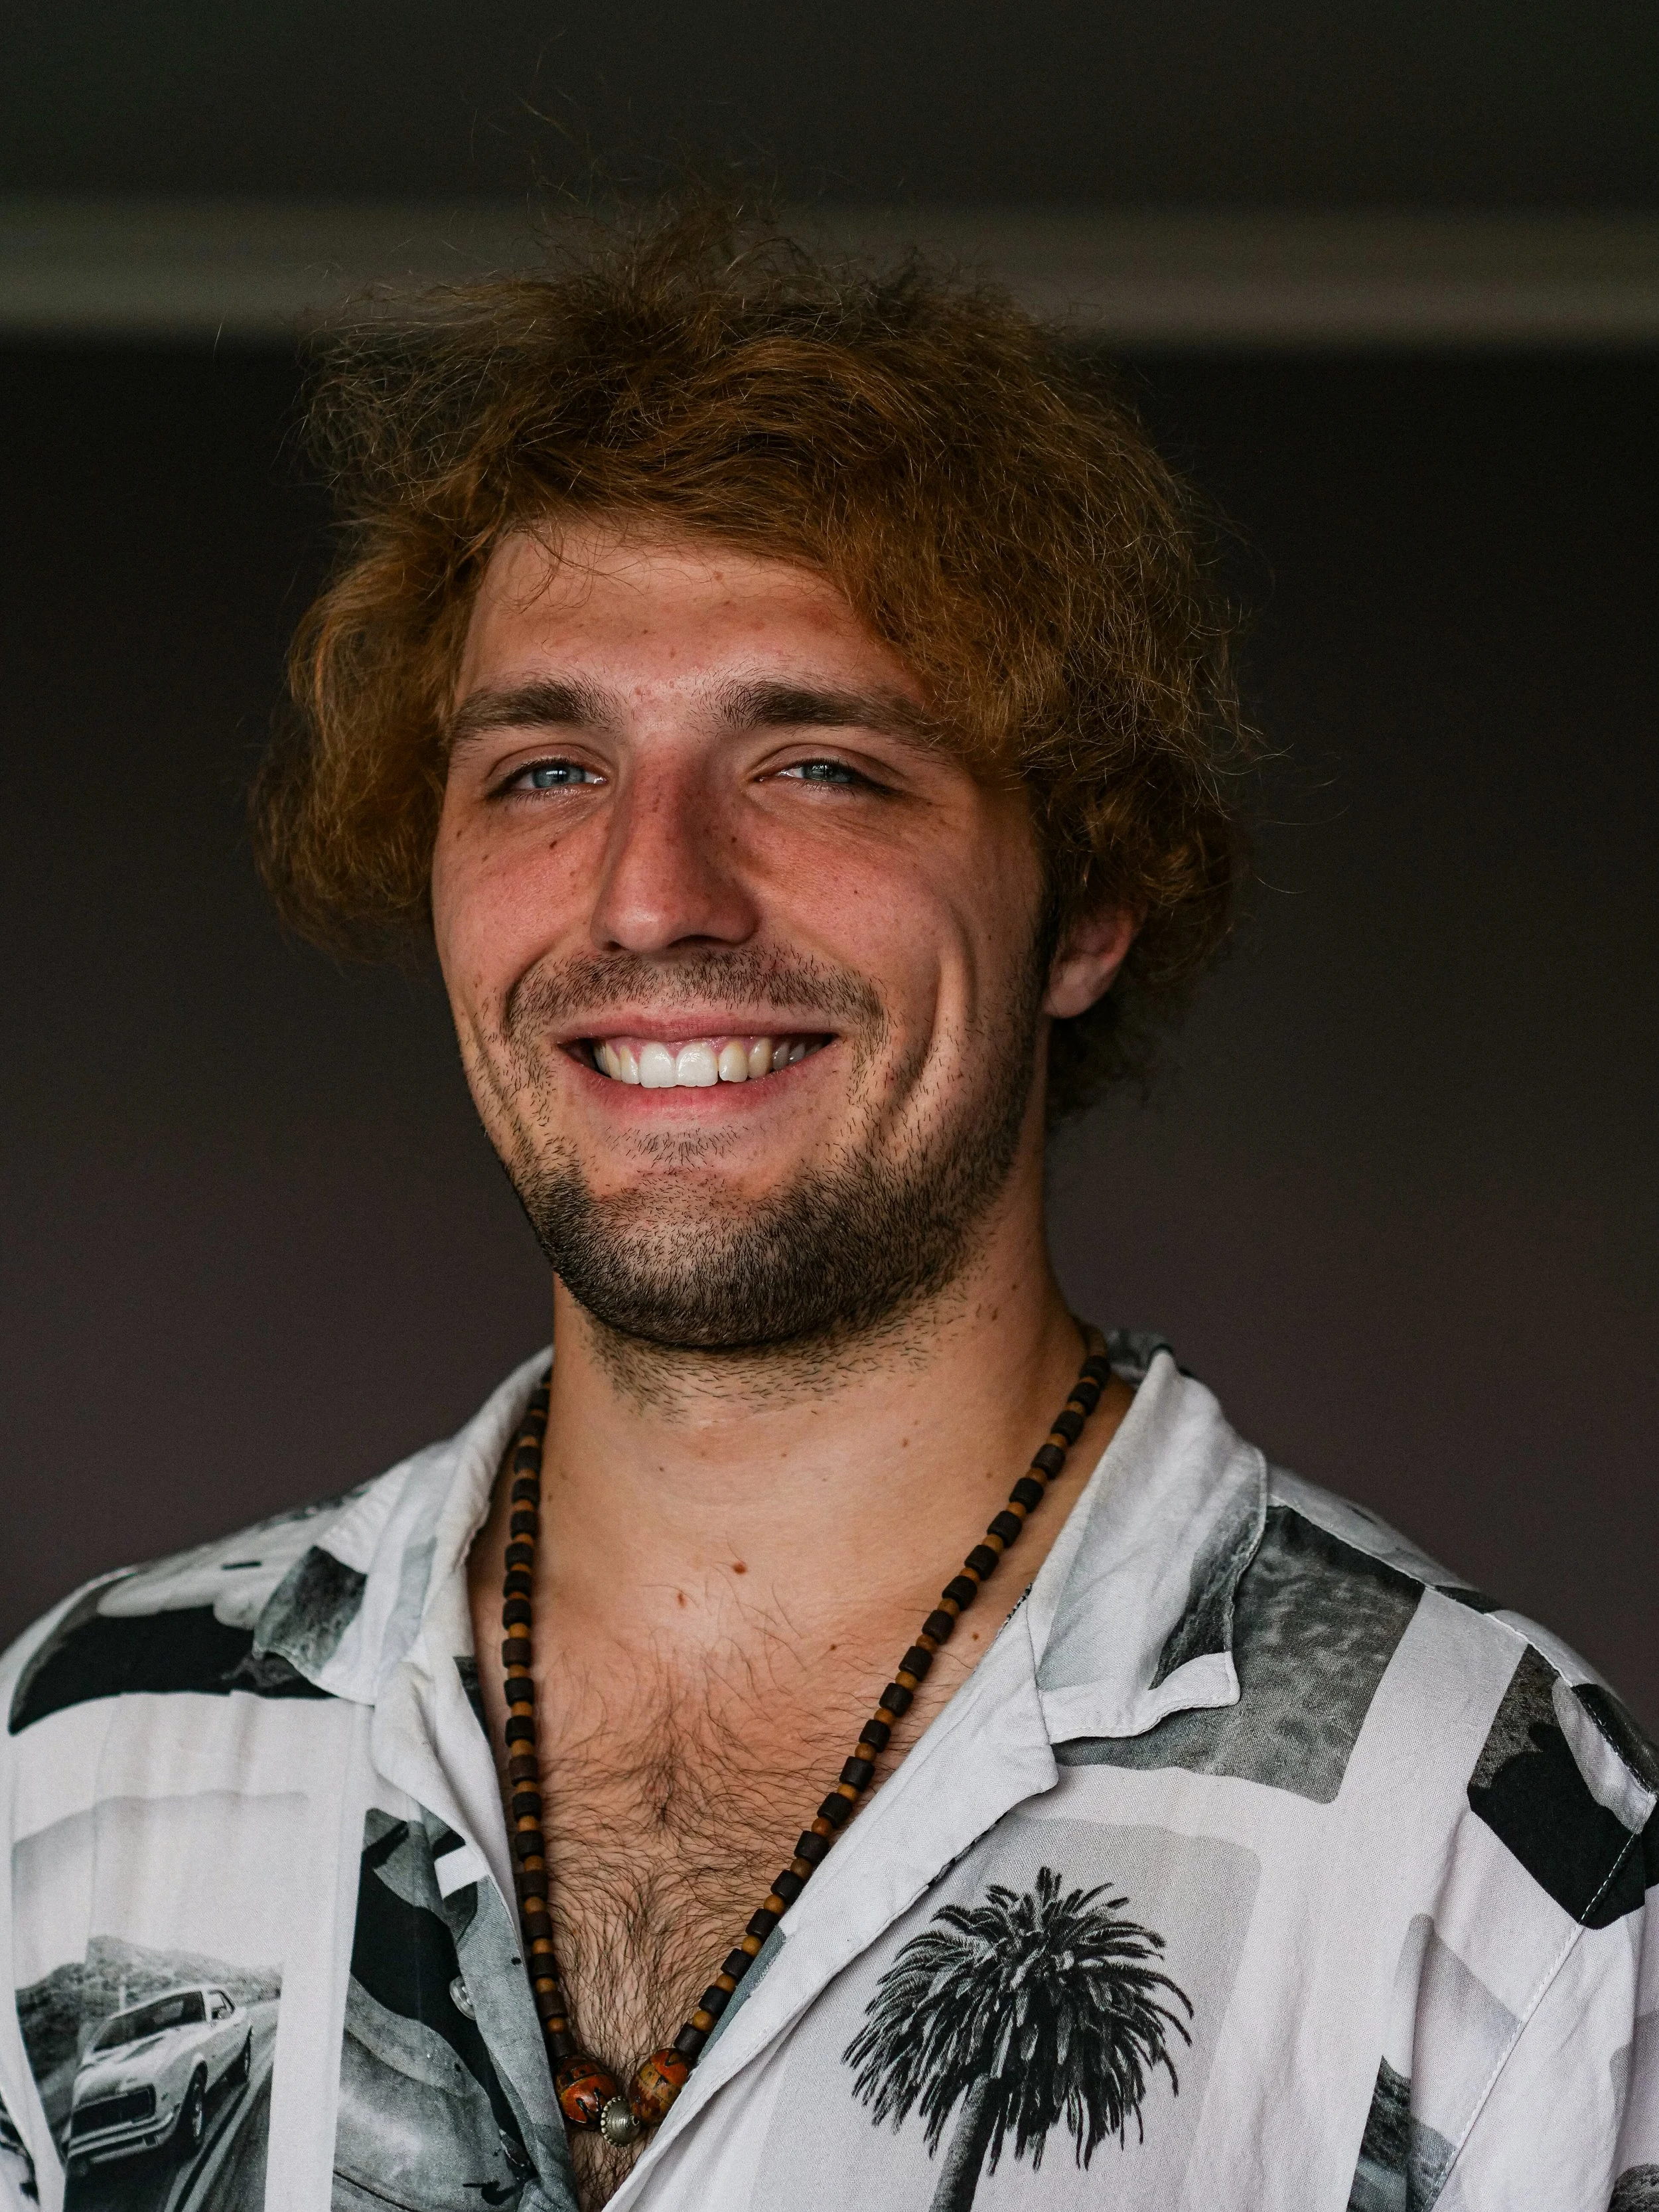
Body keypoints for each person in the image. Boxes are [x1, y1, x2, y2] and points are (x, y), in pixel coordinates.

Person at [0, 210, 1652, 2212]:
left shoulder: (1489, 1843)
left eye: (819, 763)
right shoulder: (85, 1752)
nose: (649, 892)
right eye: (542, 767)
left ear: (1086, 904)